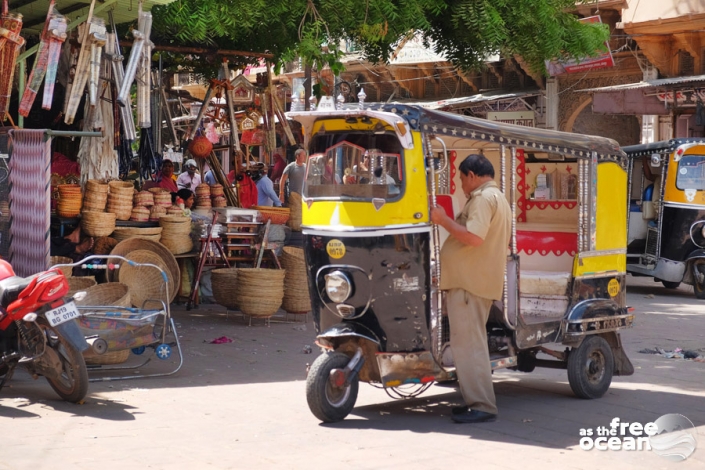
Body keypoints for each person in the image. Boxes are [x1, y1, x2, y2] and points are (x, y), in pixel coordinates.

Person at [429, 154, 511, 424]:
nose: (461, 184)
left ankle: (482, 405)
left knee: (470, 346)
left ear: (473, 176)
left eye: (462, 178)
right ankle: (476, 401)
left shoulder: (483, 199)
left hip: (469, 284)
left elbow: (474, 238)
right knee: (469, 345)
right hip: (474, 282)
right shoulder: (496, 197)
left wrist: (443, 220)